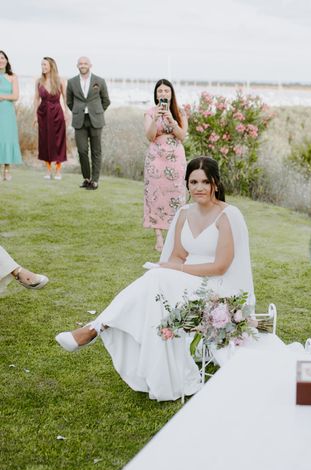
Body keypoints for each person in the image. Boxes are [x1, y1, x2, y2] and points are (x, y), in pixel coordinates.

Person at [55, 157, 255, 401]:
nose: (199, 187)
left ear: (215, 183)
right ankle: (97, 328)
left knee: (156, 278)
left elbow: (221, 266)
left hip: (214, 287)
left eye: (205, 181)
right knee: (156, 281)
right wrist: (174, 269)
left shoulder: (228, 215)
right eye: (193, 182)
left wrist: (176, 271)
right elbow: (179, 255)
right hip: (183, 284)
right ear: (186, 184)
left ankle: (95, 328)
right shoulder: (184, 213)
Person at [143, 79, 188, 252]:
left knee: (176, 195)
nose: (163, 94)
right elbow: (150, 136)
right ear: (156, 94)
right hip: (156, 159)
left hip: (175, 158)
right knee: (155, 195)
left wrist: (171, 120)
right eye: (160, 91)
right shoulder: (149, 113)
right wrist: (155, 120)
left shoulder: (179, 112)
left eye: (166, 91)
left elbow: (182, 135)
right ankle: (159, 237)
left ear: (171, 94)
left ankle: (176, 235)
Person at [66, 56, 110, 190]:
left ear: (90, 65)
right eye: (80, 63)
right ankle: (86, 178)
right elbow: (69, 102)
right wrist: (77, 111)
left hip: (96, 119)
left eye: (85, 63)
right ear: (77, 66)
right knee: (82, 150)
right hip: (79, 120)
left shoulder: (99, 81)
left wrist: (97, 112)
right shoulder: (72, 82)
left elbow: (106, 100)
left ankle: (95, 181)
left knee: (96, 151)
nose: (83, 65)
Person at [34, 57, 69, 180]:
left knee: (59, 141)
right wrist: (35, 115)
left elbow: (65, 98)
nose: (43, 67)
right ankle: (48, 171)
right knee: (45, 141)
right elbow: (36, 99)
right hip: (43, 113)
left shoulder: (60, 81)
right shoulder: (39, 81)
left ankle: (58, 171)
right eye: (42, 64)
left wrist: (66, 113)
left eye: (45, 65)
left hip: (57, 112)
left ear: (51, 66)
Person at [0, 50, 23, 181]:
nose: (0, 60)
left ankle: (7, 170)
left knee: (7, 138)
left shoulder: (13, 76)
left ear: (6, 60)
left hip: (7, 112)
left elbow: (15, 96)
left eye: (2, 58)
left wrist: (2, 96)